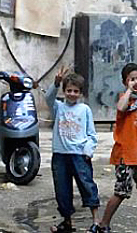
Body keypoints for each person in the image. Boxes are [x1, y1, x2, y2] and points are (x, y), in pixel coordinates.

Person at [45, 66, 100, 233]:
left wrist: (88, 151)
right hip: (60, 155)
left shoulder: (85, 110)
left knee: (87, 186)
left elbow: (91, 134)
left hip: (79, 155)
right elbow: (48, 97)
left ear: (81, 93)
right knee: (62, 190)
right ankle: (67, 221)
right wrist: (56, 82)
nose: (72, 94)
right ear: (64, 91)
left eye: (76, 91)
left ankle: (96, 221)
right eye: (69, 90)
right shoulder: (58, 107)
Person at [98, 63, 137, 233]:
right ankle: (103, 224)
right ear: (125, 82)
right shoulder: (125, 100)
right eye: (131, 79)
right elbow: (121, 107)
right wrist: (128, 90)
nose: (136, 82)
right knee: (121, 191)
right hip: (124, 156)